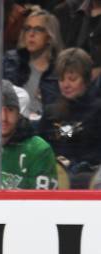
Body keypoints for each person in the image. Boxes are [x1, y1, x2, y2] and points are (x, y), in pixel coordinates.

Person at [39, 47, 101, 187]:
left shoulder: (98, 111)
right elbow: (40, 147)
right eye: (61, 79)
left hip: (89, 177)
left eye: (72, 79)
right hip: (54, 176)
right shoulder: (51, 112)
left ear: (86, 79)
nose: (65, 85)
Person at [3, 7, 63, 116]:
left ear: (49, 36)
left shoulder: (60, 70)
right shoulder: (10, 62)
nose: (31, 34)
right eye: (27, 29)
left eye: (38, 29)